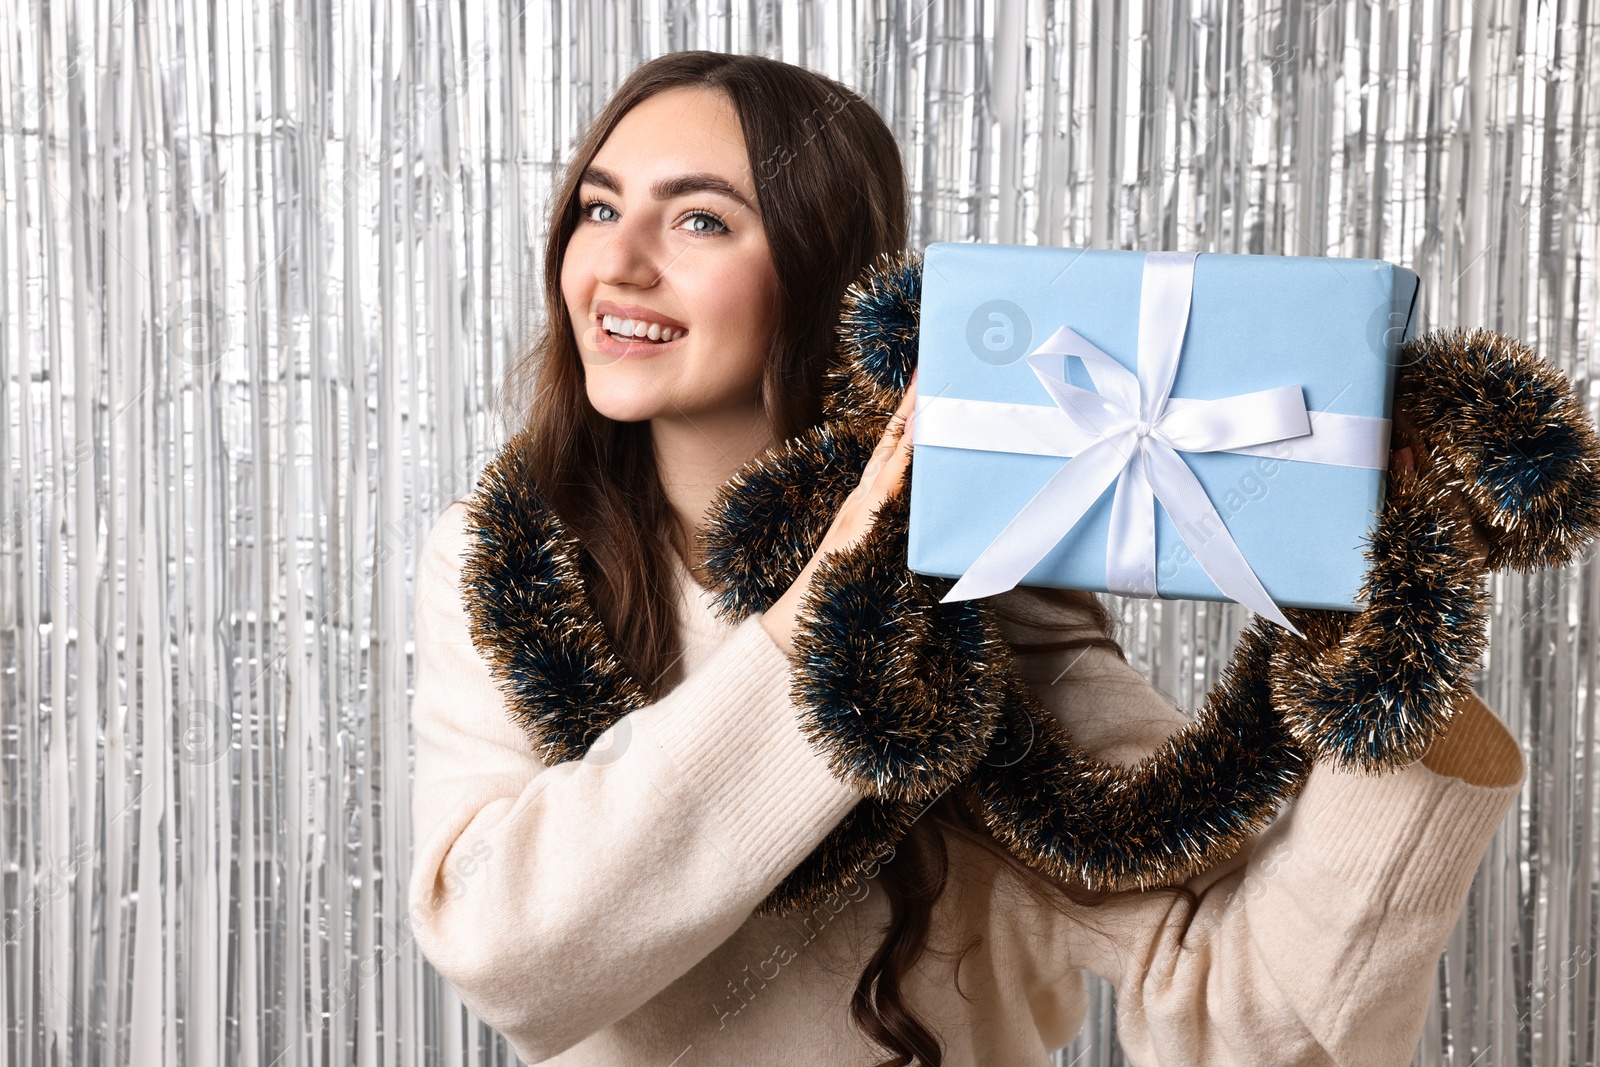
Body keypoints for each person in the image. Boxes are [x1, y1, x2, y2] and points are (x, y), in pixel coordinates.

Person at [405, 50, 1525, 1067]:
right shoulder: (501, 562)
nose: (621, 262)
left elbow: (1249, 1020)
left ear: (819, 270)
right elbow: (507, 951)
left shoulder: (984, 580)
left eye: (699, 221)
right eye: (598, 207)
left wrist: (1404, 649)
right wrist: (813, 626)